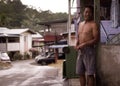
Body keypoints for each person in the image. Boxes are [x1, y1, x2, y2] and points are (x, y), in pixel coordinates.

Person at [75, 5, 99, 86]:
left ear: (92, 14)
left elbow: (96, 39)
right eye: (86, 12)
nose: (87, 14)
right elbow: (78, 36)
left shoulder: (93, 25)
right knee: (80, 72)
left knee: (90, 73)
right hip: (80, 51)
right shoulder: (80, 24)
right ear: (83, 13)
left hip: (89, 51)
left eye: (89, 12)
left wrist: (85, 44)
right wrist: (76, 43)